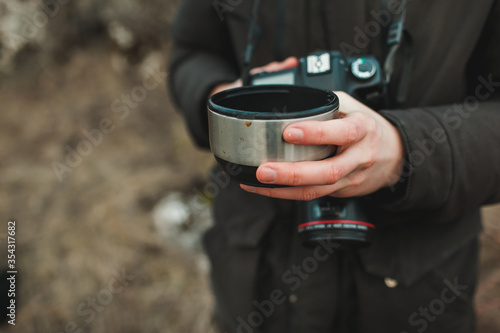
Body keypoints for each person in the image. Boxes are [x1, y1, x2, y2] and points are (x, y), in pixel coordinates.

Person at [168, 1, 500, 332]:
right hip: (253, 281)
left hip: (417, 293)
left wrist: (405, 150)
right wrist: (231, 99)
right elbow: (192, 52)